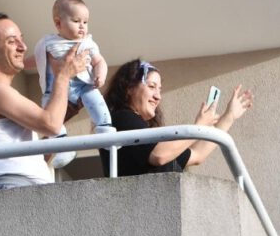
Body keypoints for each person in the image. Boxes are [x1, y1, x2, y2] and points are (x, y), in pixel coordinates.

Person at [0, 12, 88, 192]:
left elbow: (45, 130)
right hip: (12, 187)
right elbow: (50, 124)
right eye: (11, 41)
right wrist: (63, 76)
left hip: (23, 187)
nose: (23, 47)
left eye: (21, 39)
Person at [99, 59, 253, 177]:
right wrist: (199, 126)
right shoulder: (122, 118)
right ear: (129, 88)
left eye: (159, 90)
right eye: (151, 87)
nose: (158, 96)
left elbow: (197, 155)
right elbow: (159, 155)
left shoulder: (144, 132)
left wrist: (229, 116)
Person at [29, 0, 115, 169]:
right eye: (76, 21)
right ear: (58, 23)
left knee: (95, 98)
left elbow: (99, 61)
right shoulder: (48, 43)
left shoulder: (87, 43)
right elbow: (36, 59)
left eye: (85, 21)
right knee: (48, 109)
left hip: (83, 86)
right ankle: (62, 145)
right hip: (55, 90)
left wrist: (100, 75)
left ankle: (105, 128)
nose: (82, 26)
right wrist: (17, 65)